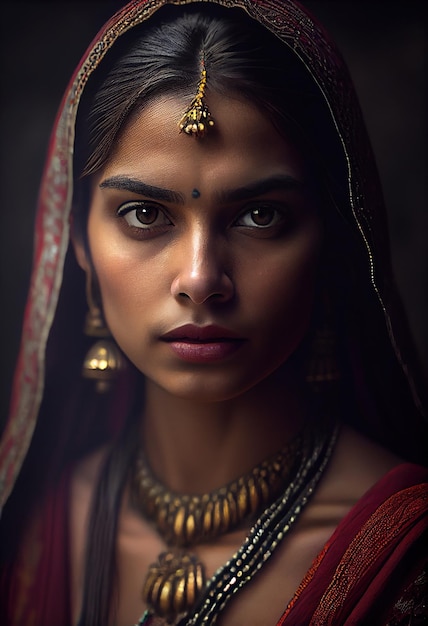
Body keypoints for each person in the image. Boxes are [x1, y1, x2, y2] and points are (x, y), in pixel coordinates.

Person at [0, 0, 427, 624]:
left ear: (334, 235)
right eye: (145, 214)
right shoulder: (36, 530)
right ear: (78, 245)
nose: (201, 279)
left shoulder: (403, 560)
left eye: (260, 215)